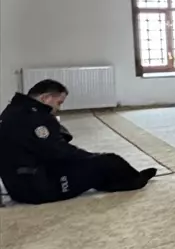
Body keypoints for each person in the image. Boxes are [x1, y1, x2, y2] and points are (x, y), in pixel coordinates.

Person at [0, 80, 155, 204]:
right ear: (45, 98)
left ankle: (115, 182)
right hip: (38, 187)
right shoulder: (36, 118)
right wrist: (90, 156)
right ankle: (136, 181)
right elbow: (58, 150)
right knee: (108, 160)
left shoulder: (13, 111)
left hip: (19, 185)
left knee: (94, 167)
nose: (58, 108)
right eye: (59, 103)